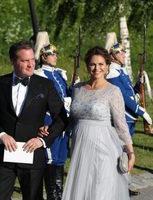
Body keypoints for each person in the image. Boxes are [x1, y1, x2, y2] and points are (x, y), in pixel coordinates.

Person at [0, 40, 68, 200]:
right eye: (25, 61)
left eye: (32, 60)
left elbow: (62, 118)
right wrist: (1, 135)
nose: (31, 65)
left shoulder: (45, 85)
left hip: (33, 155)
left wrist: (42, 141)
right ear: (13, 61)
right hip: (4, 157)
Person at [62, 46, 135, 200]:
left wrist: (130, 152)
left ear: (107, 66)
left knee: (101, 191)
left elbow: (121, 124)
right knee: (82, 191)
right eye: (93, 64)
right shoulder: (77, 89)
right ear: (88, 66)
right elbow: (71, 120)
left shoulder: (113, 91)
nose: (97, 68)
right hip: (80, 148)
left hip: (104, 148)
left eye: (101, 64)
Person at [35, 44, 71, 200]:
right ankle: (52, 195)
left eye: (56, 53)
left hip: (64, 121)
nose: (55, 56)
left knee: (61, 157)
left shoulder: (59, 74)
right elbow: (38, 103)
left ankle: (58, 194)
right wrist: (41, 123)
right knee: (51, 158)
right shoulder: (40, 74)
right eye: (52, 54)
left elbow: (66, 96)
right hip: (49, 120)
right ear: (43, 57)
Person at [106, 43, 152, 137]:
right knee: (119, 149)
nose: (124, 55)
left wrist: (139, 84)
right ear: (112, 56)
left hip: (129, 117)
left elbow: (130, 92)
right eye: (120, 52)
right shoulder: (112, 73)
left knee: (126, 149)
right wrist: (141, 112)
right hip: (122, 116)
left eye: (124, 52)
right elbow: (123, 96)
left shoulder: (120, 71)